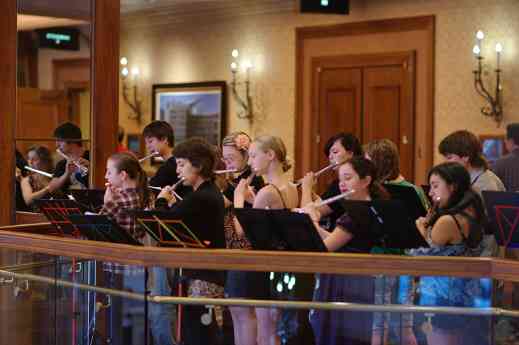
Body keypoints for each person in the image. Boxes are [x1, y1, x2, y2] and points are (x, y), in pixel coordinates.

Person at [301, 157, 392, 345]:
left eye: (348, 178)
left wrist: (311, 219)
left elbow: (325, 248)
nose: (342, 184)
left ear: (366, 181)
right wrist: (314, 223)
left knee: (342, 336)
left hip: (349, 281)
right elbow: (338, 240)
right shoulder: (369, 208)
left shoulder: (357, 213)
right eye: (340, 179)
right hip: (357, 279)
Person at [409, 162, 490, 345]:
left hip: (443, 296)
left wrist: (420, 227)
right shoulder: (471, 213)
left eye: (435, 186)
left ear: (452, 187)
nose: (430, 193)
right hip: (467, 293)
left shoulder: (447, 221)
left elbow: (419, 256)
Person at [156, 138, 226, 345]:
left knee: (199, 333)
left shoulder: (202, 196)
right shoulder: (205, 193)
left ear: (199, 166)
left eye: (181, 164)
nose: (177, 170)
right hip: (202, 272)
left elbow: (163, 223)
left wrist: (161, 201)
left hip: (204, 275)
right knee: (195, 330)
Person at [233, 135, 299, 345]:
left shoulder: (267, 191)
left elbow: (241, 230)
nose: (250, 161)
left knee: (266, 331)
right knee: (274, 327)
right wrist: (254, 201)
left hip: (267, 263)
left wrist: (238, 199)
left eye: (253, 155)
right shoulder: (291, 187)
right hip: (284, 262)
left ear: (270, 155)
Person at [301, 133, 363, 230]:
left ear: (350, 154)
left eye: (334, 152)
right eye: (329, 154)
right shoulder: (338, 184)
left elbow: (307, 215)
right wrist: (310, 192)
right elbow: (323, 203)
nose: (330, 157)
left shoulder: (345, 185)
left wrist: (306, 188)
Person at [364, 138, 430, 210]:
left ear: (382, 164)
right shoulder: (366, 187)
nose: (365, 167)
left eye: (369, 162)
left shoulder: (413, 190)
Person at [439, 130, 505, 195]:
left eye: (449, 157)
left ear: (466, 156)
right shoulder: (462, 178)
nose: (445, 162)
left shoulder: (486, 184)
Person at [143, 120, 190, 196]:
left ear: (164, 139)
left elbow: (148, 190)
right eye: (146, 143)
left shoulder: (170, 166)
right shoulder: (176, 162)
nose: (147, 146)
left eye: (150, 141)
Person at [48, 122, 90, 194]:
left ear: (71, 140)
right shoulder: (62, 164)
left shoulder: (92, 157)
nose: (57, 145)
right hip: (69, 203)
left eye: (60, 140)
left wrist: (91, 170)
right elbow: (51, 188)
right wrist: (66, 174)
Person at [492, 123, 519, 191]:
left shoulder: (501, 163)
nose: (504, 141)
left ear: (511, 141)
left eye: (505, 138)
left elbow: (493, 190)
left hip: (507, 201)